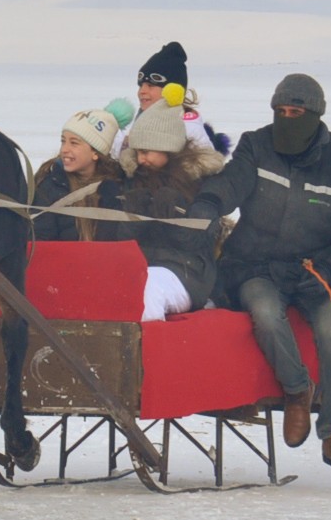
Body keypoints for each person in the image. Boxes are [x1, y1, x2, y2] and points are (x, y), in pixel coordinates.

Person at [183, 74, 331, 480]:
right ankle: (296, 391)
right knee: (265, 312)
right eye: (281, 111)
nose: (287, 119)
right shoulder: (258, 145)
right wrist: (207, 204)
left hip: (318, 270)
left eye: (297, 112)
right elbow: (231, 184)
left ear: (315, 115)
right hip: (258, 265)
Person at [116, 101, 227, 321]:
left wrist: (173, 215)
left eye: (146, 152)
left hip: (188, 272)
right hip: (139, 266)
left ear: (167, 147)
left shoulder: (201, 182)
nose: (140, 159)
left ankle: (147, 351)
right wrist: (134, 218)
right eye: (137, 152)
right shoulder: (132, 179)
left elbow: (199, 241)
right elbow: (120, 240)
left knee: (149, 291)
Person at [114, 42, 229, 160]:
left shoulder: (188, 126)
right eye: (140, 85)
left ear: (173, 90)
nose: (141, 91)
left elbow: (205, 164)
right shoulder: (143, 119)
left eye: (151, 85)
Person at [29, 109, 127, 242]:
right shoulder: (48, 187)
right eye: (63, 141)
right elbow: (39, 239)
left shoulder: (119, 185)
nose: (64, 149)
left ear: (95, 152)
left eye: (74, 143)